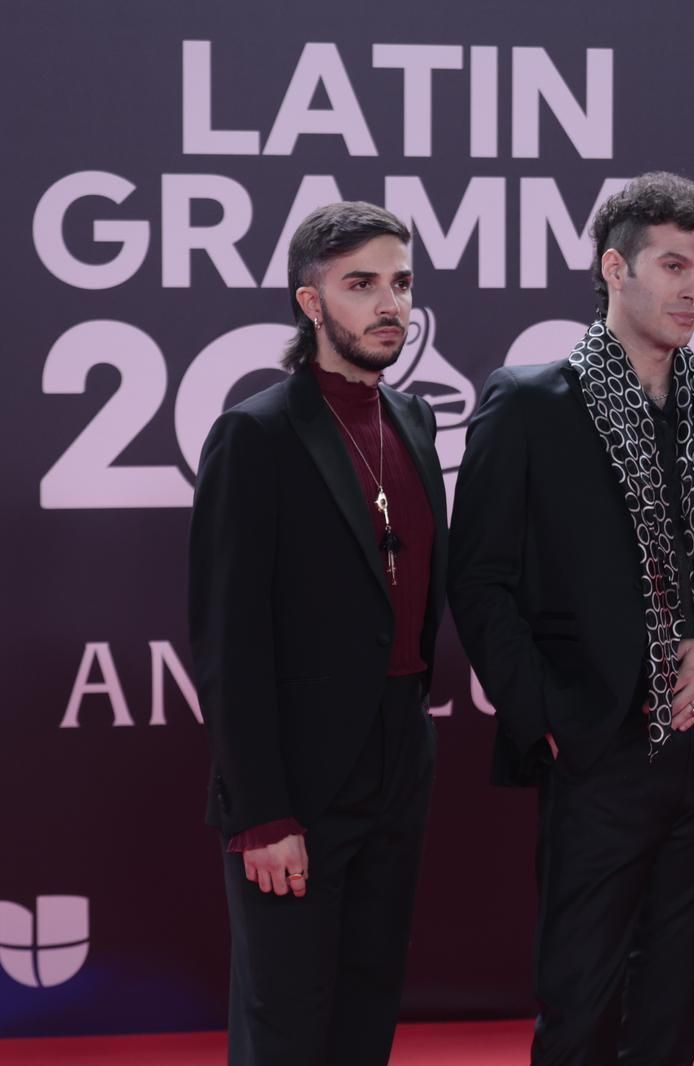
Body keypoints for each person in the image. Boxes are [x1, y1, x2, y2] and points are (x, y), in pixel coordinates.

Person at [449, 171, 694, 1065]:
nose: (693, 290)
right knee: (580, 1006)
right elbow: (478, 580)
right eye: (672, 265)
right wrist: (550, 721)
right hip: (594, 752)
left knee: (673, 1013)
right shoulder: (528, 403)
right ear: (613, 267)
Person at [189, 201, 448, 1066]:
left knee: (367, 1008)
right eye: (361, 284)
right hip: (296, 779)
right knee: (288, 1023)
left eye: (401, 283)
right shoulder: (257, 434)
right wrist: (261, 813)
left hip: (397, 757)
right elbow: (228, 639)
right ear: (311, 303)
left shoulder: (414, 421)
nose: (390, 305)